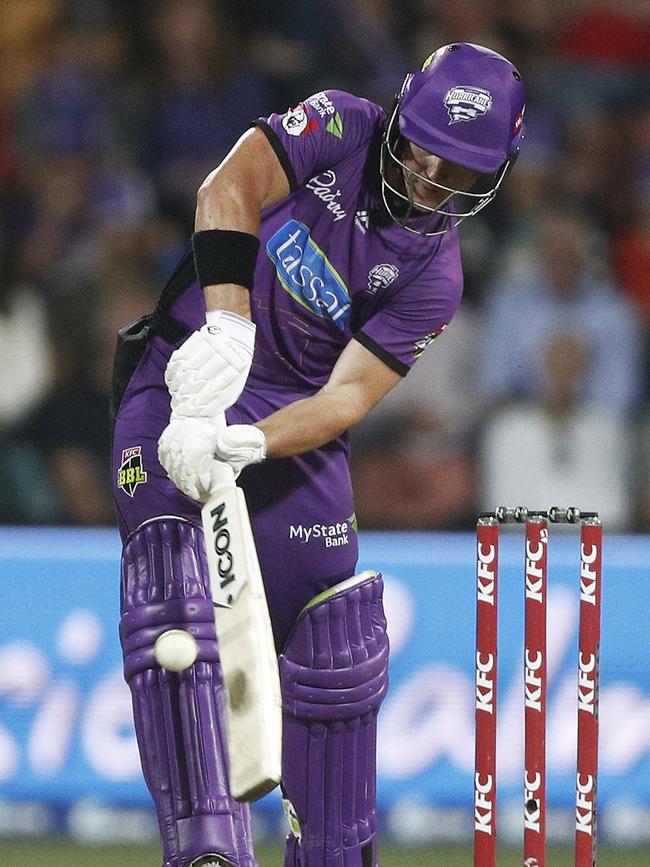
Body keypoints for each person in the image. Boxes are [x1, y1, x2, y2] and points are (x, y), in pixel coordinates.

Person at [111, 43, 525, 867]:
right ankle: (207, 848)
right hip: (183, 371)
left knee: (338, 644)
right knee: (169, 593)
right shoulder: (341, 125)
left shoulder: (434, 274)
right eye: (421, 155)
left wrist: (251, 440)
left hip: (290, 422)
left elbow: (345, 400)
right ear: (401, 118)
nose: (429, 185)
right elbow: (226, 188)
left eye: (460, 179)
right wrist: (228, 327)